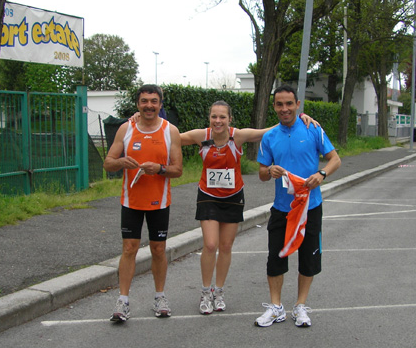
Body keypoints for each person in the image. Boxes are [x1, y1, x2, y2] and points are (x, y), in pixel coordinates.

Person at [132, 102, 318, 315]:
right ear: (209, 118)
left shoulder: (237, 136)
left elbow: (271, 130)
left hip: (232, 196)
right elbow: (169, 136)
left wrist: (301, 115)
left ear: (230, 119)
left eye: (222, 117)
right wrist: (144, 118)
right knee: (210, 245)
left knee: (226, 246)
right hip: (208, 196)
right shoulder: (201, 135)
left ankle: (218, 291)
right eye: (214, 117)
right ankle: (205, 291)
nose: (218, 121)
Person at [255, 85, 341, 328]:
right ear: (274, 107)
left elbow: (335, 159)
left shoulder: (313, 128)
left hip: (310, 207)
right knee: (275, 258)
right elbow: (261, 172)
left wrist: (322, 174)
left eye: (289, 104)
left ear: (298, 104)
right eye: (280, 105)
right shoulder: (270, 136)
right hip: (283, 208)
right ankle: (276, 307)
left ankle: (300, 306)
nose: (285, 109)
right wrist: (269, 170)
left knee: (308, 259)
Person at [103, 84, 183, 322]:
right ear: (138, 104)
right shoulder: (126, 129)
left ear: (160, 104)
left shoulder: (171, 131)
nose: (149, 105)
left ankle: (160, 296)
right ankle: (123, 300)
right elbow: (108, 163)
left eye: (154, 101)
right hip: (131, 201)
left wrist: (159, 169)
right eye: (145, 101)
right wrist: (120, 163)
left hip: (159, 202)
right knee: (129, 249)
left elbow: (178, 170)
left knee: (158, 249)